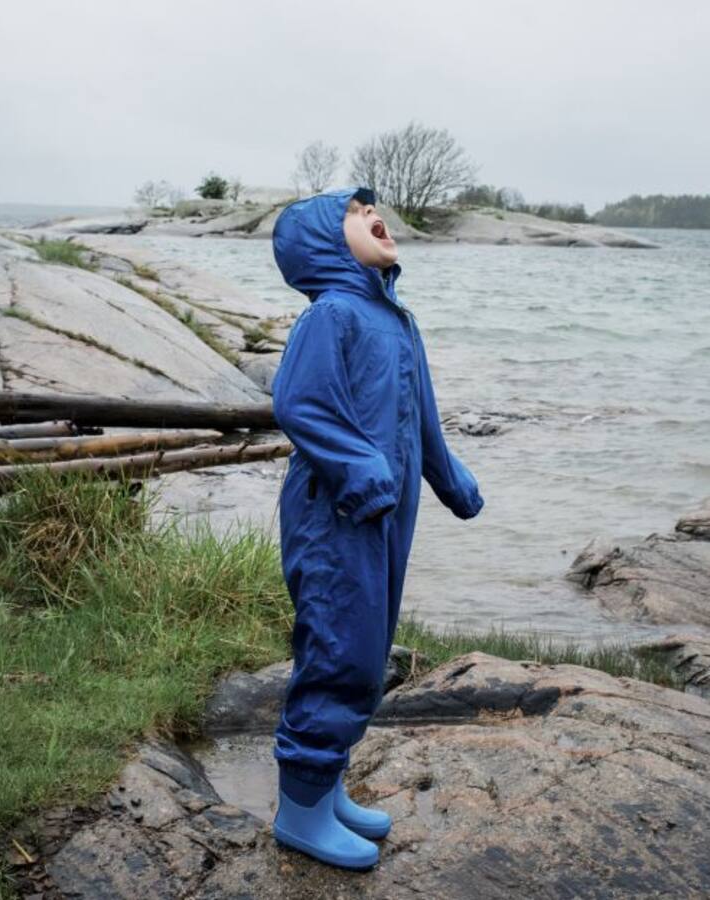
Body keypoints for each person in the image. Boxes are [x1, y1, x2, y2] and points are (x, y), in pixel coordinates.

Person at [269, 187, 484, 870]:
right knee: (338, 647)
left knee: (367, 647)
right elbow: (299, 403)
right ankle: (299, 808)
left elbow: (422, 419)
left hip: (386, 515)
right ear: (324, 245)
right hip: (334, 508)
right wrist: (361, 470)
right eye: (354, 213)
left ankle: (325, 787)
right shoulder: (331, 316)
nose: (372, 215)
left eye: (372, 209)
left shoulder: (398, 321)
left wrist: (450, 481)